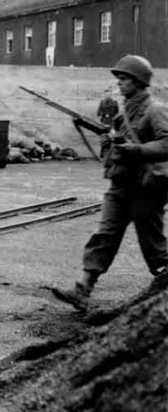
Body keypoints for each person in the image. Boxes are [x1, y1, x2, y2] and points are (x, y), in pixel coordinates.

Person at [52, 55, 168, 311]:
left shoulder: (154, 110)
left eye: (124, 79)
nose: (119, 84)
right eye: (119, 79)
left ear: (139, 81)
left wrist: (135, 151)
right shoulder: (124, 111)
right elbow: (119, 144)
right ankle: (83, 289)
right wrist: (109, 145)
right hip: (121, 185)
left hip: (146, 187)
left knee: (153, 245)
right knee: (104, 235)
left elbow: (166, 143)